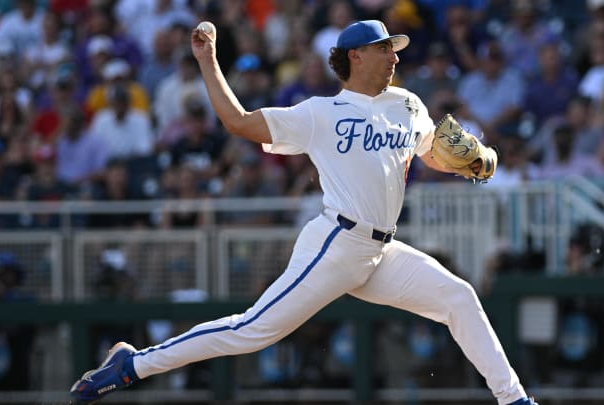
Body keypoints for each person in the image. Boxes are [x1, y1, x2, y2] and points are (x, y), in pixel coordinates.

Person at [69, 19, 538, 405]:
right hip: (336, 243)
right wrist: (208, 61)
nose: (395, 55)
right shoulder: (321, 113)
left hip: (381, 251)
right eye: (384, 48)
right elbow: (238, 122)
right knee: (252, 330)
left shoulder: (408, 105)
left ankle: (514, 400)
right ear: (355, 56)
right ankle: (132, 365)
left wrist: (470, 161)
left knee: (459, 298)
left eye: (394, 49)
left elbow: (430, 152)